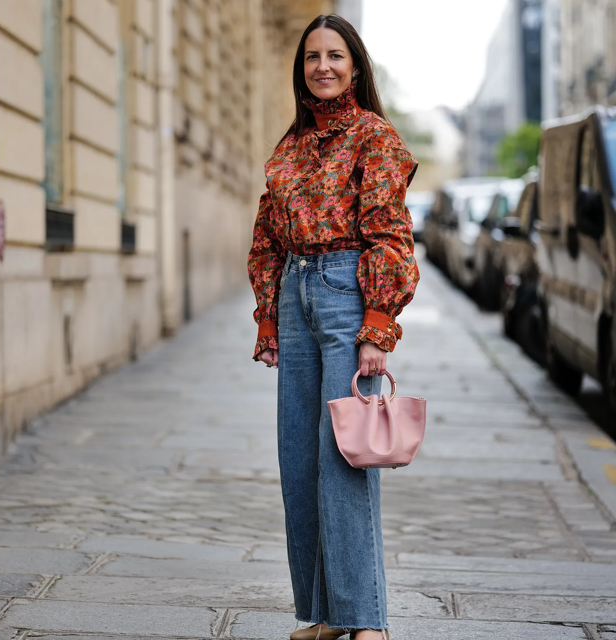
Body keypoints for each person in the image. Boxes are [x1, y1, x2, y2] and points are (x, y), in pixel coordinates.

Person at [247, 13, 419, 640]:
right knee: (301, 462)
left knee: (346, 458)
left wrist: (378, 322)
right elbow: (266, 235)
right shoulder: (289, 147)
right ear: (302, 68)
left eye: (336, 56)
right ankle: (322, 613)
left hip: (349, 294)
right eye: (313, 56)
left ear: (355, 66)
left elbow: (392, 235)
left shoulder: (374, 137)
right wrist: (269, 313)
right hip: (295, 296)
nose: (323, 66)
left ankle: (366, 621)